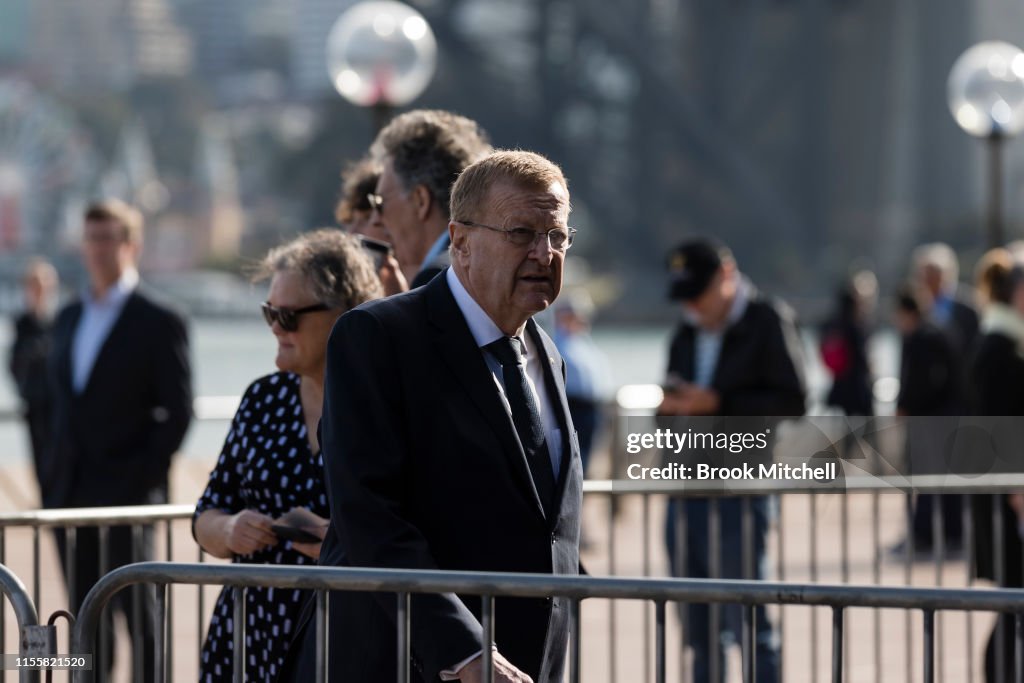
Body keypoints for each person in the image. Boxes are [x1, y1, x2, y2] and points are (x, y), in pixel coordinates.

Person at [284, 150, 583, 683]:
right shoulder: (377, 336)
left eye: (557, 236)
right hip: (406, 661)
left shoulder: (548, 357)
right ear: (461, 241)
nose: (544, 253)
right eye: (522, 233)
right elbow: (369, 516)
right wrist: (466, 651)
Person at [193, 229, 383, 682]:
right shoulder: (262, 398)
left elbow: (420, 525)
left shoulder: (382, 402)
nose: (275, 327)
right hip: (249, 635)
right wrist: (231, 528)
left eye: (288, 315)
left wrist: (338, 545)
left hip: (347, 635)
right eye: (268, 313)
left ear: (344, 314)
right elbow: (206, 516)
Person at [44, 199, 192, 679]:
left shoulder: (158, 318)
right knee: (85, 625)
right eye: (92, 238)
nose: (99, 249)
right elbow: (57, 404)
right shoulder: (67, 317)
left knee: (143, 622)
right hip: (70, 498)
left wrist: (138, 477)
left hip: (129, 500)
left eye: (109, 238)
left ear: (132, 245)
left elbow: (179, 412)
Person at [659, 238, 806, 683]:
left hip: (740, 491)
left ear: (726, 275)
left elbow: (794, 400)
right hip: (686, 488)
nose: (693, 307)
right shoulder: (686, 328)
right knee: (698, 630)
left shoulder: (767, 319)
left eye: (699, 295)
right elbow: (666, 402)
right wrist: (670, 408)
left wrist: (719, 403)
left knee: (750, 622)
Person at [967, 248, 1024, 682]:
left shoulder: (1006, 340)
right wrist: (1015, 489)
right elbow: (993, 428)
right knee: (1012, 602)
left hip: (1009, 496)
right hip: (1011, 500)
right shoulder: (998, 346)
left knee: (1013, 602)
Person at [367, 109, 492, 288]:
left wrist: (397, 310)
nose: (375, 220)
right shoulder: (480, 258)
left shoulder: (438, 278)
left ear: (421, 200)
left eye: (379, 203)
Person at [893, 284, 964, 553]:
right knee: (946, 479)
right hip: (950, 415)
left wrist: (905, 406)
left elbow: (918, 381)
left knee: (925, 478)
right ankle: (951, 532)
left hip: (929, 419)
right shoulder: (941, 329)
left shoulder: (920, 337)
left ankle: (924, 535)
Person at [8, 257, 59, 483]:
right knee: (41, 460)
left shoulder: (60, 319)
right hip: (36, 403)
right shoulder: (23, 323)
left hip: (60, 405)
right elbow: (15, 364)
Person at [552, 288, 612, 475]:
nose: (582, 318)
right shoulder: (556, 343)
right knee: (572, 461)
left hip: (592, 409)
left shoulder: (584, 342)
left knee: (586, 461)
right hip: (572, 408)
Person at [819, 271, 876, 417]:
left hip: (838, 387)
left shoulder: (832, 323)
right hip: (858, 389)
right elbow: (862, 357)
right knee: (864, 434)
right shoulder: (856, 327)